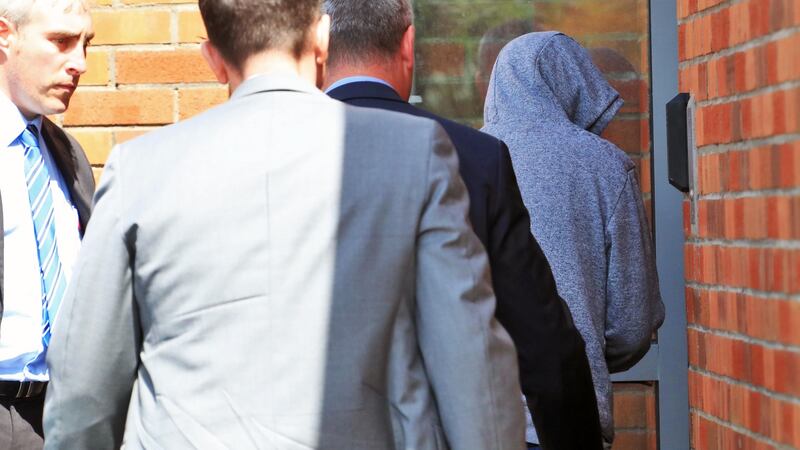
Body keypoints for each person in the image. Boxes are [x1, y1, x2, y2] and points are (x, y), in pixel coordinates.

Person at [43, 0, 526, 448]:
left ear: (213, 59)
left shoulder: (139, 169)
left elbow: (84, 390)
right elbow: (473, 366)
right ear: (322, 38)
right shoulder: (413, 152)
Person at [323, 2, 603, 449]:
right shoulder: (475, 156)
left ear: (318, 47)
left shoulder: (265, 157)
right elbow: (545, 345)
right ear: (409, 45)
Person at [482, 32, 666, 447]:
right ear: (571, 84)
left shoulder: (458, 158)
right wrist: (586, 352)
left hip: (471, 417)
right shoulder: (605, 166)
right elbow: (632, 325)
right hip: (570, 415)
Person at [0, 0, 94, 447]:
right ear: (5, 35)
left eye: (86, 43)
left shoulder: (67, 154)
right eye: (61, 41)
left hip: (62, 412)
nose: (80, 63)